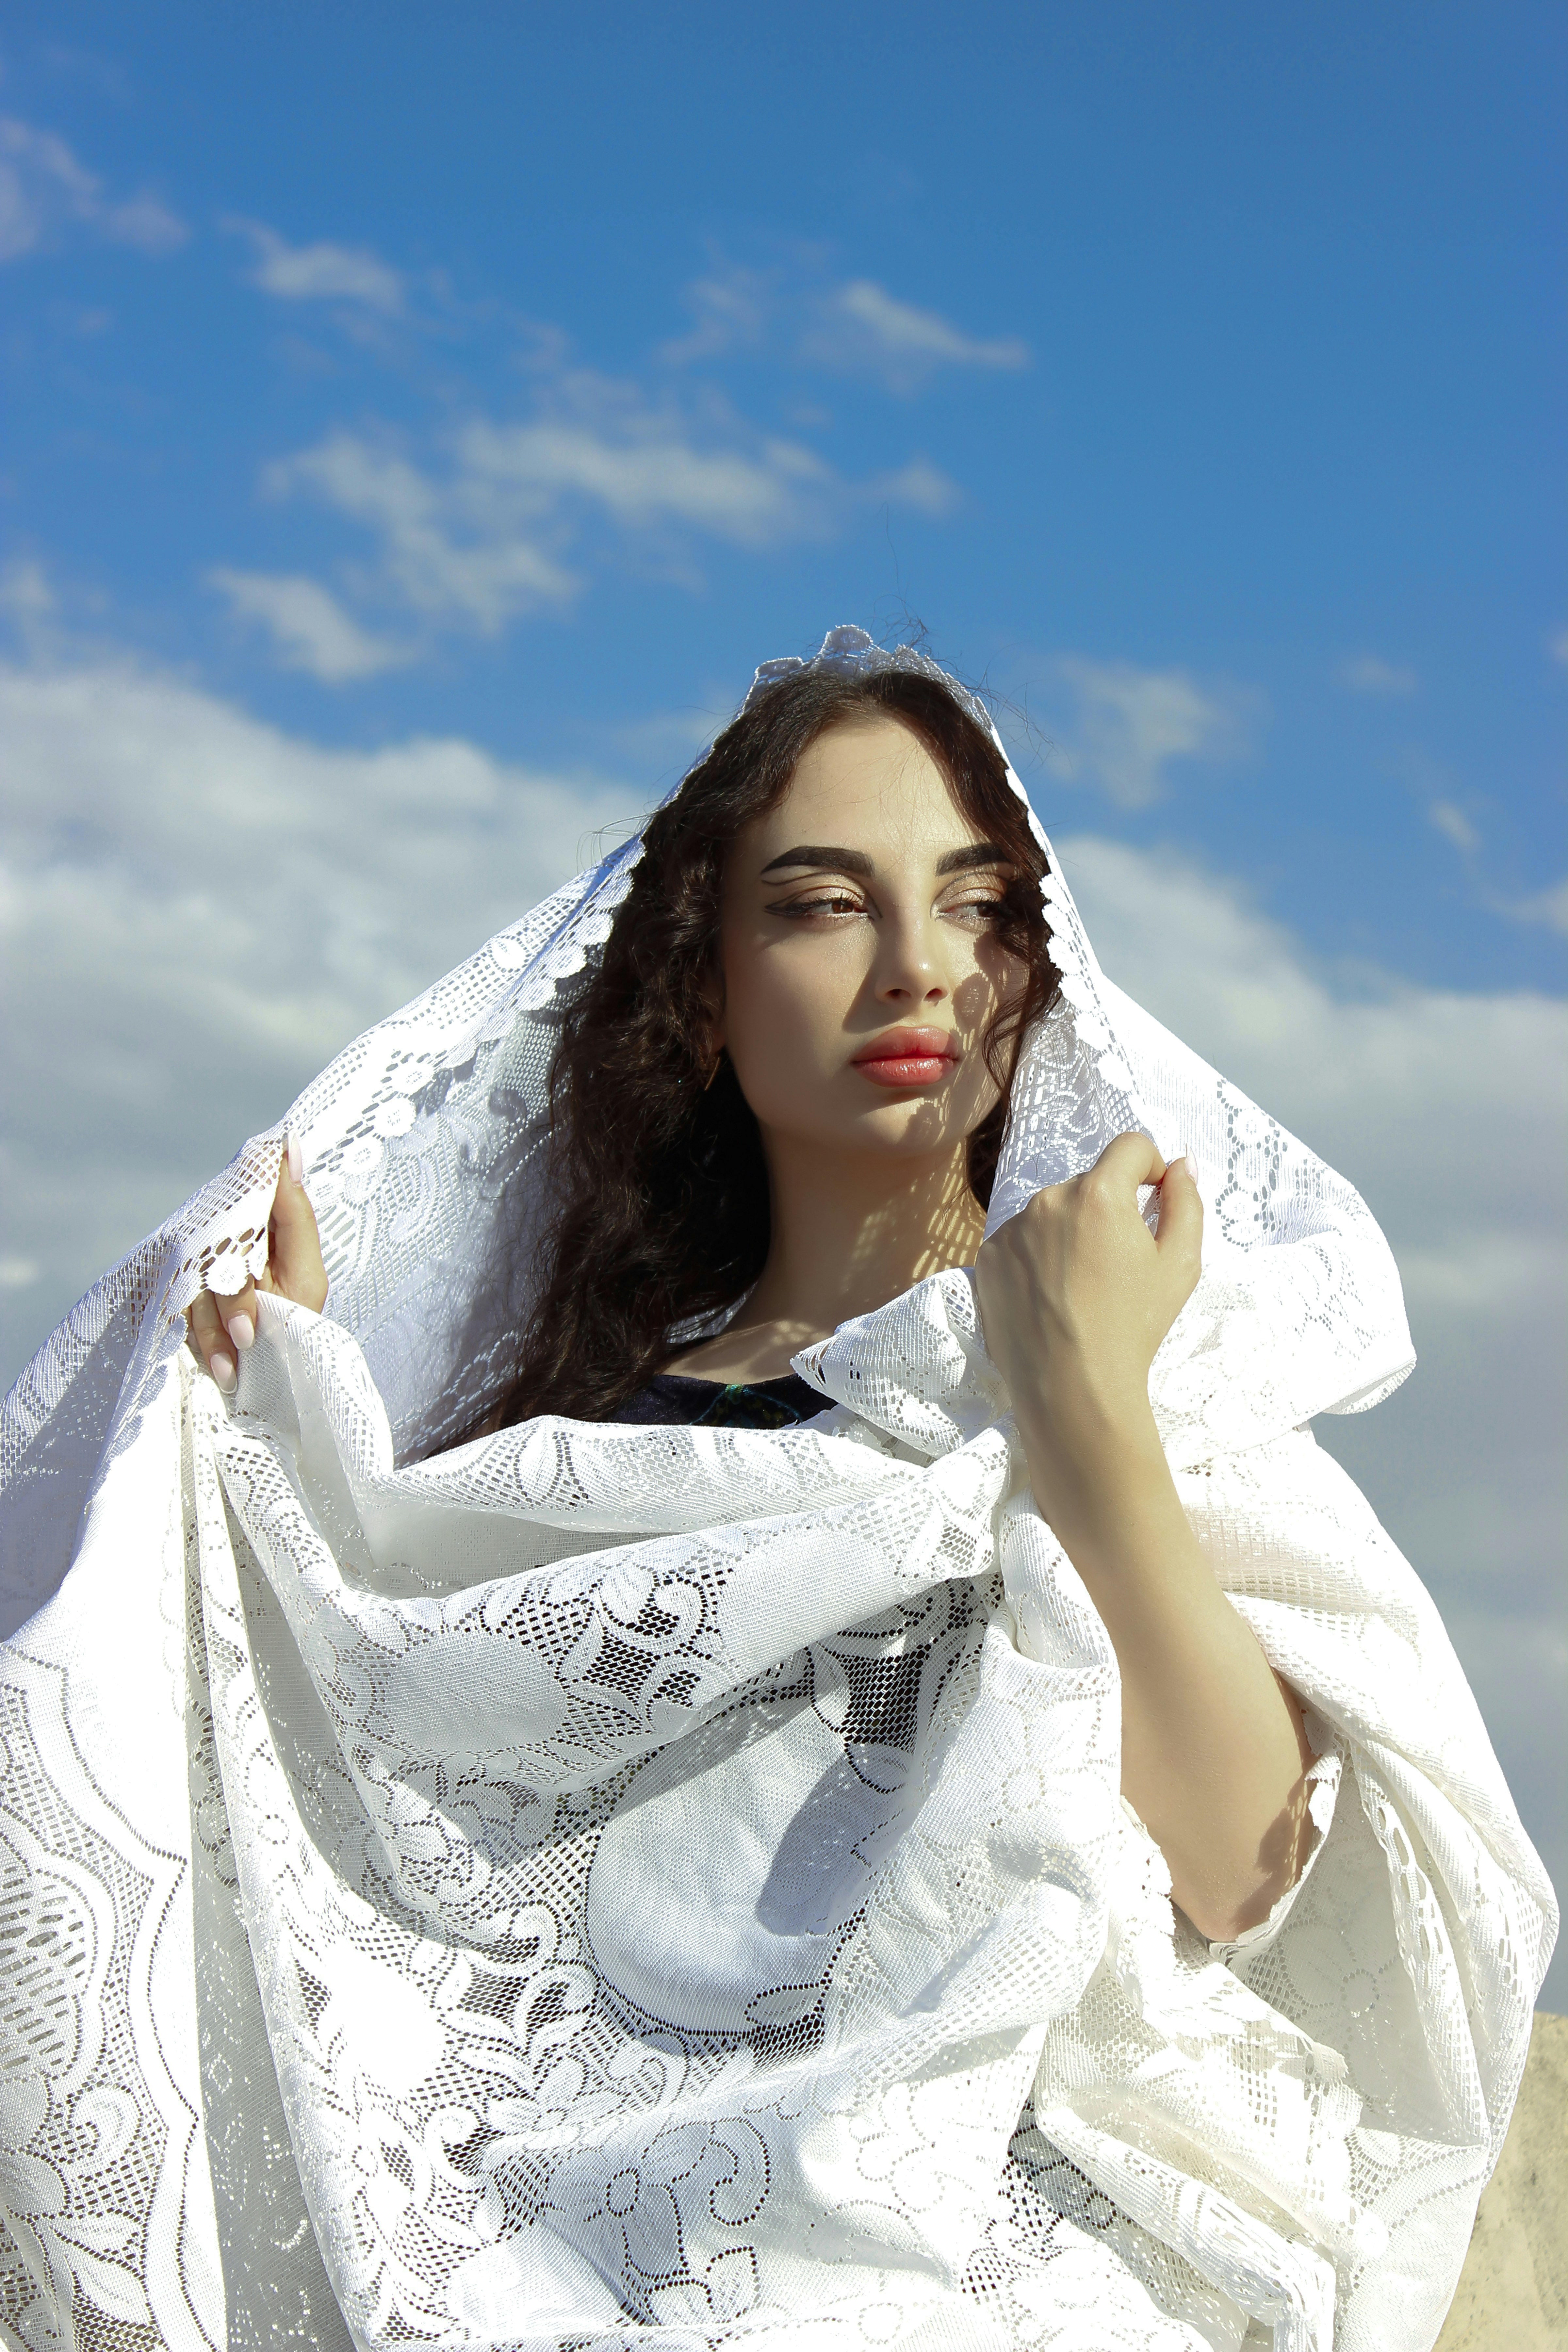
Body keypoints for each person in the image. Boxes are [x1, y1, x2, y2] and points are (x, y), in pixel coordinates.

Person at [1, 629, 1556, 2352]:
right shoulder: (579, 1450)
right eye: (823, 903)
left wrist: (1084, 1416)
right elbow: (407, 1879)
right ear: (703, 985)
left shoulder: (1167, 1377)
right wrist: (255, 1481)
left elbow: (1241, 1869)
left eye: (979, 907)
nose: (918, 969)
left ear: (1039, 974)